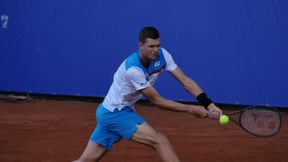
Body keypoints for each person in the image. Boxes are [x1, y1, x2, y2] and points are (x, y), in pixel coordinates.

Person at [73, 26, 222, 162]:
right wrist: (192, 109)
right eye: (151, 46)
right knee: (159, 140)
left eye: (158, 45)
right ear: (140, 46)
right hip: (116, 114)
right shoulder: (133, 69)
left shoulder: (163, 55)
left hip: (109, 111)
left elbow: (186, 82)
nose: (155, 50)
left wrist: (209, 104)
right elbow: (157, 101)